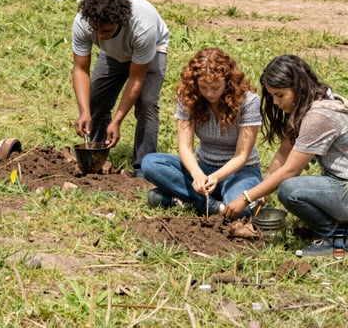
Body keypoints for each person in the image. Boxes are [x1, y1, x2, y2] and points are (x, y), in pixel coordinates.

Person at [222, 55, 348, 258]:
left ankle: (336, 238)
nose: (276, 102)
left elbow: (290, 170)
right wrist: (262, 195)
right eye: (272, 95)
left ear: (298, 88)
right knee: (288, 185)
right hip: (341, 184)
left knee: (290, 189)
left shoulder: (318, 117)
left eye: (280, 95)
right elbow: (282, 155)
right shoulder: (310, 106)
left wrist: (246, 198)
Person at [142, 48, 262, 215]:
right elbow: (185, 146)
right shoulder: (188, 97)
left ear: (228, 82)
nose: (209, 93)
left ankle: (182, 199)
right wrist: (197, 173)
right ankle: (214, 206)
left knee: (243, 211)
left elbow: (242, 155)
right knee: (150, 163)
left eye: (215, 87)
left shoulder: (248, 101)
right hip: (203, 165)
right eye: (203, 87)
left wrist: (216, 177)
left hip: (239, 171)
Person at [72, 0, 169, 176]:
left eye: (106, 31)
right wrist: (84, 111)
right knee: (95, 100)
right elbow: (80, 69)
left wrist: (117, 121)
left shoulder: (142, 27)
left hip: (151, 51)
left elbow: (136, 77)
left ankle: (143, 167)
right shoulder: (84, 22)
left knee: (146, 103)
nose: (100, 35)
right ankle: (96, 155)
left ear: (121, 22)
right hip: (113, 53)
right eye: (96, 30)